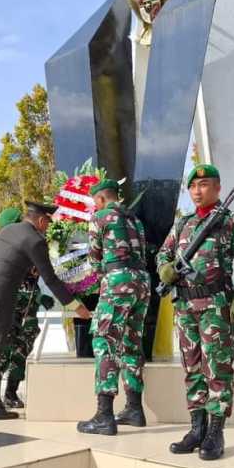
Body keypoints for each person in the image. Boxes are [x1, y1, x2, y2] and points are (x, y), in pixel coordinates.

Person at [0, 201, 92, 420]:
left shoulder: (8, 230)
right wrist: (76, 306)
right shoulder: (35, 240)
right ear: (40, 220)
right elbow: (51, 280)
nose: (48, 227)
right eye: (48, 221)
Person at [156, 165, 234, 460]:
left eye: (204, 185)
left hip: (216, 305)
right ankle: (196, 428)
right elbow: (165, 253)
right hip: (185, 306)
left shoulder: (233, 222)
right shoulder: (183, 224)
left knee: (218, 369)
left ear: (217, 187)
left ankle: (215, 433)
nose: (198, 191)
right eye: (194, 186)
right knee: (192, 370)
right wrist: (165, 269)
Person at [77, 179, 151, 436]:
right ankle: (134, 409)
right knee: (131, 343)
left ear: (99, 199)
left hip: (117, 281)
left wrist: (100, 279)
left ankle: (104, 415)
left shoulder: (100, 217)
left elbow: (94, 257)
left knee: (104, 341)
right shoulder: (135, 220)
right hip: (142, 282)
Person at [0, 207, 56, 409]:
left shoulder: (23, 241)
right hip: (10, 306)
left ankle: (10, 392)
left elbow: (33, 276)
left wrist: (39, 296)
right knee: (5, 348)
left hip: (28, 308)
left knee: (22, 347)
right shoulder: (8, 246)